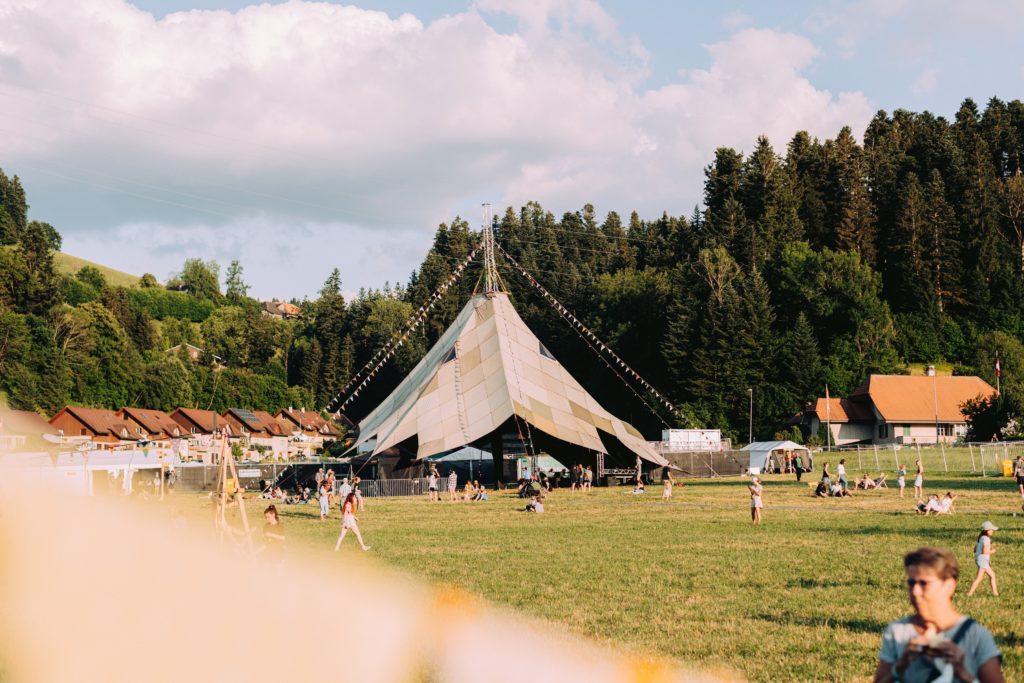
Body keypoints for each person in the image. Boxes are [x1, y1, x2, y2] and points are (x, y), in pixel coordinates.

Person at [872, 547, 1003, 683]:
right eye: (911, 583)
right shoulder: (898, 631)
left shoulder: (975, 636)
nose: (915, 591)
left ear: (949, 586)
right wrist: (900, 666)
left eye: (924, 583)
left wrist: (962, 672)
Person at [966, 522, 999, 597]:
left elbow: (975, 549)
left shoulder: (980, 538)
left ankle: (995, 593)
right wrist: (992, 551)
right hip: (983, 561)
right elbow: (984, 551)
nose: (992, 531)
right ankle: (969, 593)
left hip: (980, 560)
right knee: (979, 578)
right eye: (991, 530)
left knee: (992, 575)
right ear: (987, 531)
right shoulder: (986, 539)